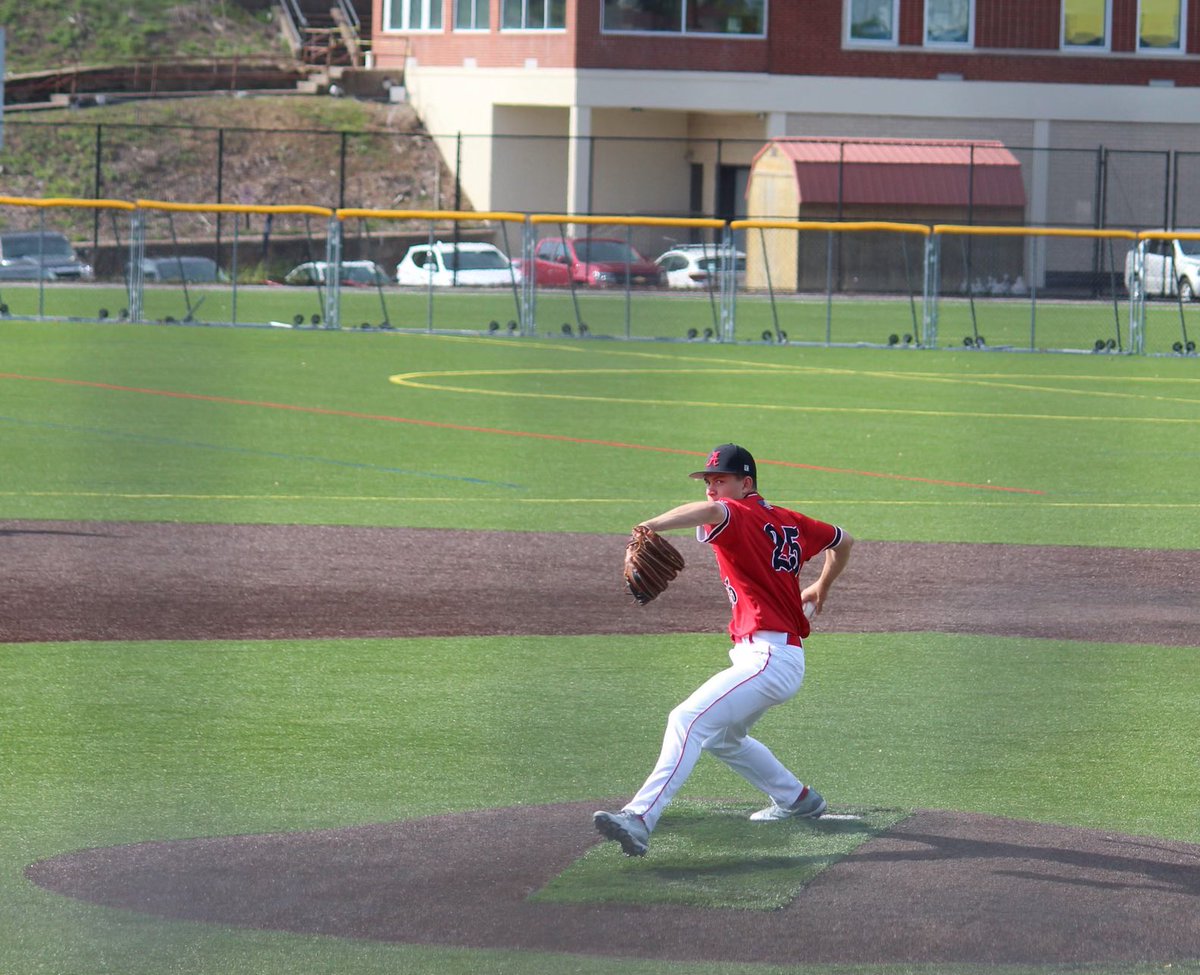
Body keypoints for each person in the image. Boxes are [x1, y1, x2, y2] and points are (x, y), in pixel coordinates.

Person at [594, 443, 853, 857]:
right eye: (708, 481)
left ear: (746, 484)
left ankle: (639, 818)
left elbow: (713, 511)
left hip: (768, 658)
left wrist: (650, 525)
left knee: (685, 719)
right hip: (772, 656)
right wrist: (822, 585)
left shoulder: (739, 513)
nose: (712, 488)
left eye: (721, 480)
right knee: (722, 738)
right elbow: (844, 540)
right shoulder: (790, 520)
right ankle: (797, 799)